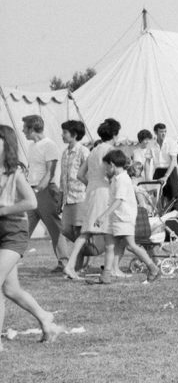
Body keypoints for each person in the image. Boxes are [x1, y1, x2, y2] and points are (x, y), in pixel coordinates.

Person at [0, 125, 63, 349]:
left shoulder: (14, 173)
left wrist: (4, 210)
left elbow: (32, 203)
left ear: (5, 144)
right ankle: (46, 319)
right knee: (10, 289)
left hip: (13, 231)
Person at [90, 149, 160, 284]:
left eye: (106, 167)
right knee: (109, 246)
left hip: (124, 218)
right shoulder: (115, 179)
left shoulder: (123, 179)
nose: (105, 170)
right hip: (115, 217)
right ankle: (106, 276)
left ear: (112, 165)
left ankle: (153, 268)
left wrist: (103, 215)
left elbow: (119, 200)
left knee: (132, 245)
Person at [63, 118, 120, 280]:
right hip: (104, 193)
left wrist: (92, 184)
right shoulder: (110, 150)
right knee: (108, 231)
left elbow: (80, 174)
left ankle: (71, 265)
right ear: (115, 135)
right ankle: (110, 269)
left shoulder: (94, 150)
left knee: (86, 232)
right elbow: (112, 173)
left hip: (91, 192)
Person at [20, 114, 69, 271]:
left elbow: (50, 173)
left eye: (25, 128)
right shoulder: (31, 146)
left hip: (45, 191)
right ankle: (10, 260)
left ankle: (64, 263)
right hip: (33, 191)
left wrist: (36, 190)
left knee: (54, 228)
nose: (22, 130)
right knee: (23, 227)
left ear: (33, 128)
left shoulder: (49, 145)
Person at [58, 120, 89, 262]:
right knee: (65, 229)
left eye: (65, 132)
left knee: (78, 231)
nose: (62, 135)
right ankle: (86, 251)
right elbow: (62, 178)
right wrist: (60, 199)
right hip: (67, 199)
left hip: (80, 197)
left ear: (74, 134)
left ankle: (79, 264)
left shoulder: (83, 151)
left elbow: (89, 173)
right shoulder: (65, 153)